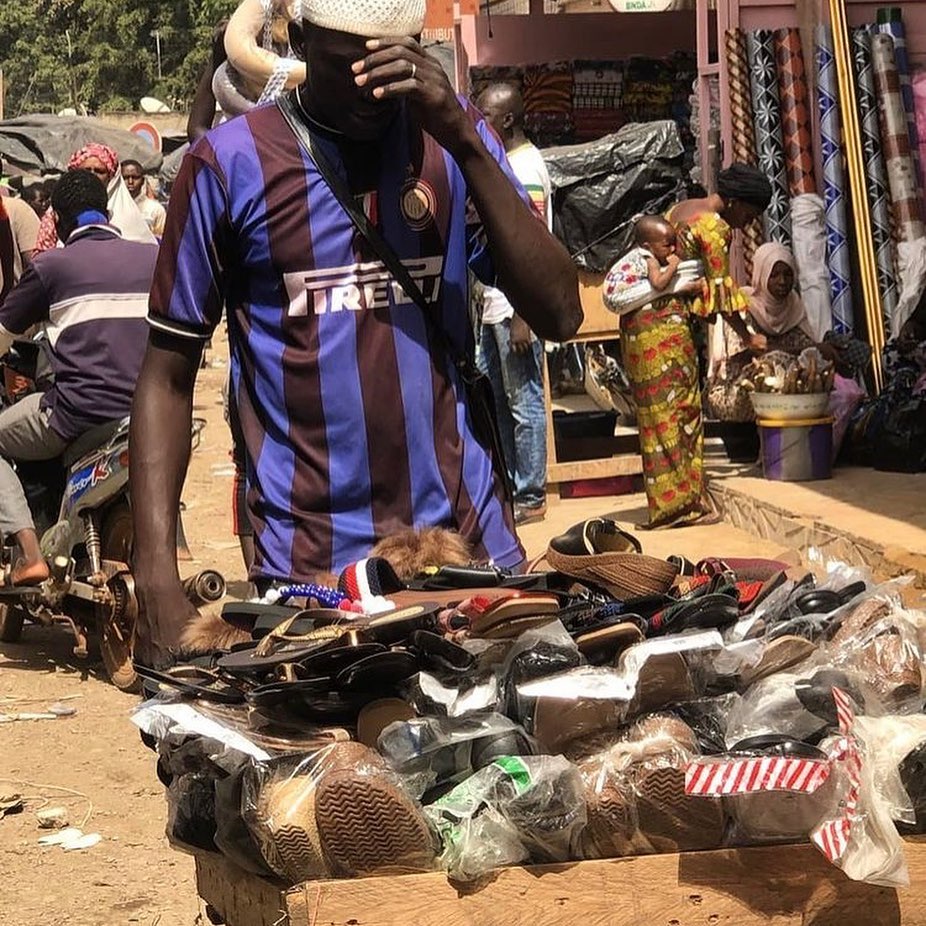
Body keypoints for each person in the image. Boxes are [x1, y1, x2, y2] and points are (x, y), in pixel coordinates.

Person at [130, 0, 583, 668]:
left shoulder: (452, 145)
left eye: (391, 63)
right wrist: (154, 574)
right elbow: (167, 376)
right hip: (309, 569)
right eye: (351, 64)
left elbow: (561, 314)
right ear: (302, 40)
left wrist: (462, 136)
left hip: (468, 548)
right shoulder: (228, 165)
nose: (373, 89)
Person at [0, 170, 157, 585]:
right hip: (149, 411)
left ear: (58, 221)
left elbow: (3, 335)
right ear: (107, 213)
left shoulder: (51, 266)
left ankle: (29, 554)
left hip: (76, 414)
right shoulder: (154, 258)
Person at [613, 164, 772, 529]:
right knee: (681, 415)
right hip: (668, 331)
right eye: (748, 215)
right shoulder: (714, 227)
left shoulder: (681, 209)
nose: (746, 224)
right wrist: (748, 337)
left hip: (638, 327)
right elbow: (720, 292)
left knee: (655, 420)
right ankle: (681, 508)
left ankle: (668, 503)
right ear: (734, 202)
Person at [474, 82, 552, 526]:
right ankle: (509, 487)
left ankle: (530, 493)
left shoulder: (523, 168)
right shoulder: (504, 162)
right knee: (499, 404)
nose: (479, 120)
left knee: (524, 403)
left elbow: (531, 243)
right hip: (494, 306)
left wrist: (524, 312)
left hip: (512, 309)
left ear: (507, 119)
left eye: (485, 114)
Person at [706, 242, 815, 422]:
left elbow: (809, 351)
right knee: (774, 363)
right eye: (774, 275)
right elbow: (751, 354)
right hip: (736, 391)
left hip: (785, 396)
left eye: (787, 274)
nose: (782, 281)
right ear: (761, 275)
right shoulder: (742, 307)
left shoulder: (795, 307)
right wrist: (784, 355)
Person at [33, 144, 156, 253]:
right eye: (86, 170)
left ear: (111, 177)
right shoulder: (56, 215)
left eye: (99, 171)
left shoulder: (129, 217)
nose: (91, 175)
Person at [0, 185, 40, 304]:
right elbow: (39, 266)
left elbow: (37, 264)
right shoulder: (15, 208)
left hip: (9, 306)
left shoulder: (15, 209)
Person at [121, 159, 167, 238]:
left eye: (135, 177)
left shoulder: (156, 210)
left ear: (142, 181)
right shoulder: (111, 208)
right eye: (125, 178)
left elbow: (161, 238)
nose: (130, 182)